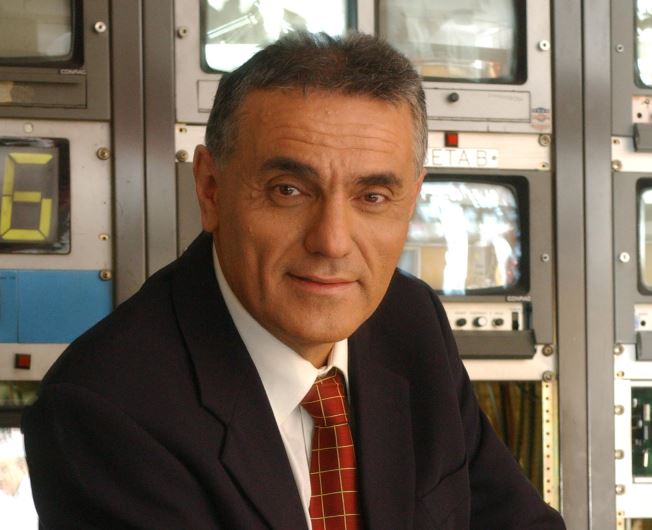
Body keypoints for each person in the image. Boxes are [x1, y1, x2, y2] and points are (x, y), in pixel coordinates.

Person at [22, 32, 566, 529]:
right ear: (210, 188)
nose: (332, 241)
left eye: (372, 197)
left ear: (411, 200)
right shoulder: (105, 411)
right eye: (289, 190)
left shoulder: (409, 317)